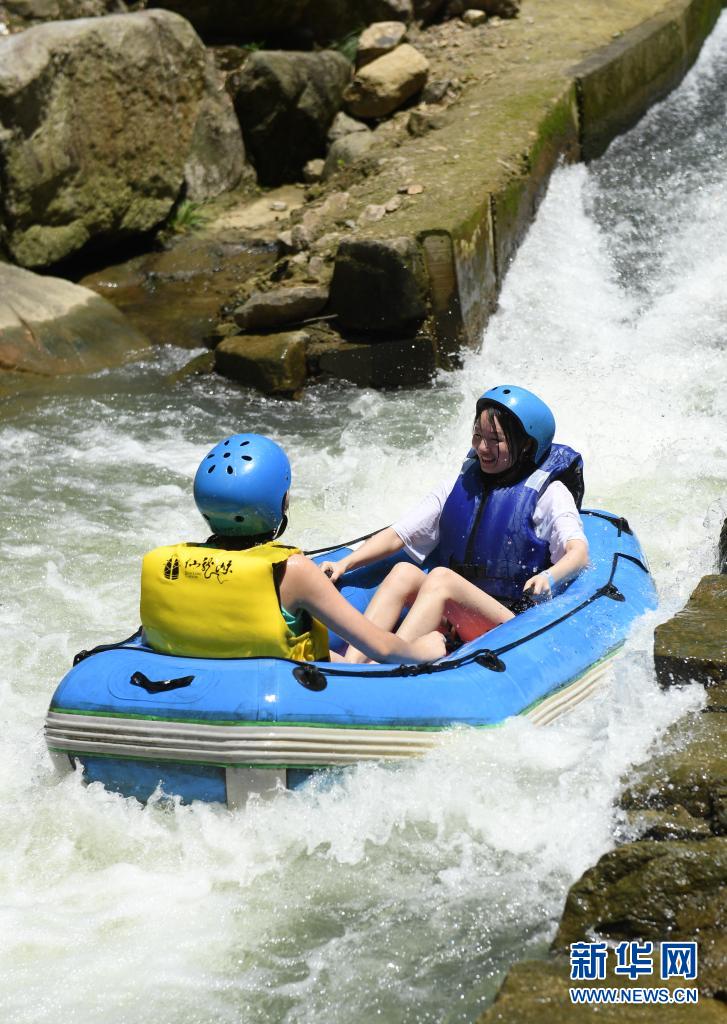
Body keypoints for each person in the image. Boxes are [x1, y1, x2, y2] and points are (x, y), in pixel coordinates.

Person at [320, 386, 589, 663]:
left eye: (495, 440)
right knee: (403, 571)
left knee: (441, 579)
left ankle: (385, 662)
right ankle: (354, 663)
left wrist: (549, 577)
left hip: (512, 621)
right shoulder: (459, 486)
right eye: (478, 435)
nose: (482, 448)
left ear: (527, 446)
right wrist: (345, 565)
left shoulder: (549, 494)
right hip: (460, 614)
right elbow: (397, 536)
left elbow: (578, 553)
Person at [139, 433, 446, 666]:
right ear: (279, 502)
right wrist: (426, 648)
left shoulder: (171, 566)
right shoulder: (293, 571)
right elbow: (380, 648)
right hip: (280, 695)